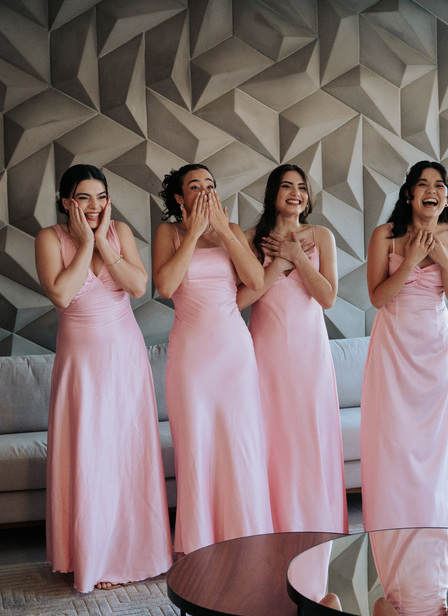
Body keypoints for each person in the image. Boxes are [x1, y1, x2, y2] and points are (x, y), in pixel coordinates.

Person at [35, 163, 172, 591]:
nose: (94, 206)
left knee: (127, 453)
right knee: (90, 455)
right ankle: (93, 557)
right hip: (81, 365)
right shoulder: (48, 239)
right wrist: (85, 243)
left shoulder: (121, 233)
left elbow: (138, 286)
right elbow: (61, 293)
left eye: (100, 197)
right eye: (83, 197)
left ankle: (133, 555)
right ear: (66, 202)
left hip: (125, 359)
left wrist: (103, 244)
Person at [151, 164, 273, 554]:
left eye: (210, 184)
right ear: (179, 198)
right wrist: (194, 234)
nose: (205, 191)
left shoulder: (231, 230)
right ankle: (199, 545)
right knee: (196, 447)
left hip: (234, 354)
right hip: (191, 359)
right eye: (195, 186)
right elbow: (166, 286)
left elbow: (255, 280)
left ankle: (247, 538)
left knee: (240, 446)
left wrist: (222, 230)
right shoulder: (169, 233)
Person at [360, 161, 448, 531]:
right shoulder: (385, 235)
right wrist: (408, 262)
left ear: (446, 197)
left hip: (434, 348)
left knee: (430, 440)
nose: (431, 190)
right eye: (423, 184)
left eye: (439, 185)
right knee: (392, 436)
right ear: (409, 194)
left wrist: (442, 261)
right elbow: (377, 298)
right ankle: (389, 523)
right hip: (392, 346)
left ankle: (429, 521)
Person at [237, 164, 347, 534]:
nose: (296, 193)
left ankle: (316, 523)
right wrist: (279, 263)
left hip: (310, 355)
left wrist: (297, 257)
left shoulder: (321, 236)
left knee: (309, 435)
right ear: (273, 194)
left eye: (301, 187)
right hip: (266, 355)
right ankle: (274, 525)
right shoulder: (250, 239)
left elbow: (327, 298)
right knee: (272, 438)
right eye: (287, 186)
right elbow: (240, 300)